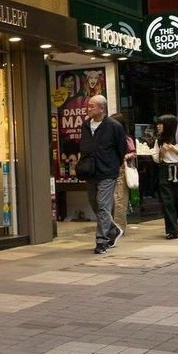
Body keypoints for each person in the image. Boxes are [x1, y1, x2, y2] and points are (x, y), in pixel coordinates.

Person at [77, 94, 132, 254]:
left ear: (102, 108)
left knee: (102, 204)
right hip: (90, 171)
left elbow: (121, 148)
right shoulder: (86, 125)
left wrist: (115, 164)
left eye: (92, 106)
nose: (88, 109)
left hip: (107, 171)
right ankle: (113, 229)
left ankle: (101, 241)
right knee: (95, 204)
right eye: (88, 106)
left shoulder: (114, 126)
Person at [152, 115, 178, 239]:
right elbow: (156, 158)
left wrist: (177, 151)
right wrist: (162, 152)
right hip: (165, 171)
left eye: (161, 124)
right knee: (167, 202)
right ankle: (172, 230)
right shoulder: (158, 141)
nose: (158, 126)